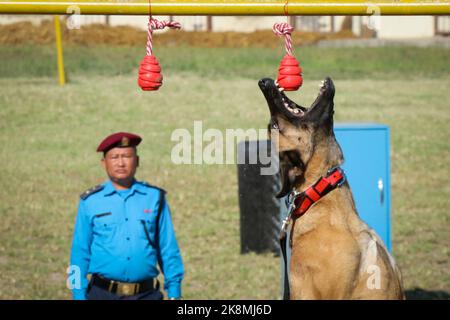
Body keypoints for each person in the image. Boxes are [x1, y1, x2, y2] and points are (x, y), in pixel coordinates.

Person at [69, 132, 184, 300]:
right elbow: (79, 252)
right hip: (101, 295)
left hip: (146, 295)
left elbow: (168, 249)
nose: (121, 163)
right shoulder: (90, 201)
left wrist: (175, 292)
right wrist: (78, 294)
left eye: (127, 156)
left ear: (137, 161)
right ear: (104, 163)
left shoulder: (154, 198)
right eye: (114, 157)